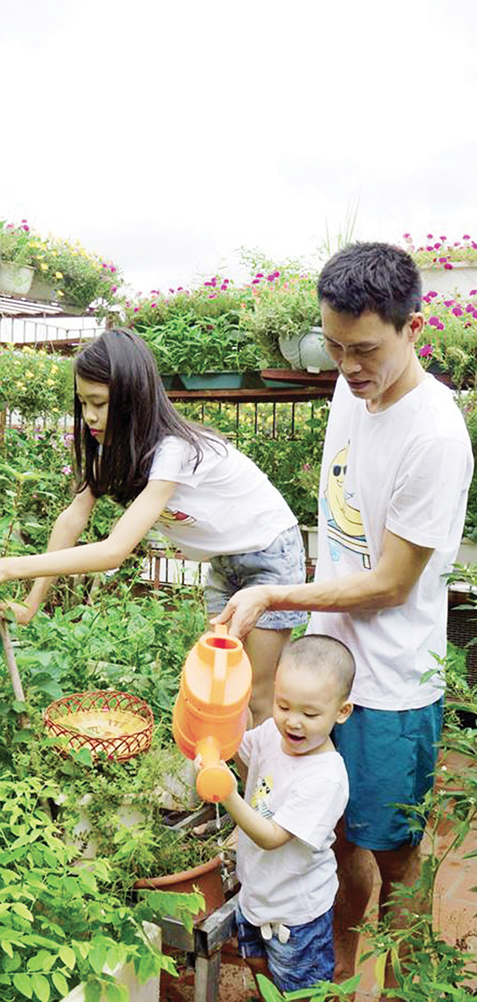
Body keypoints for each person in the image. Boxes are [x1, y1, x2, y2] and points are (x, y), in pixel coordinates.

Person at [214, 242, 474, 985]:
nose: (347, 365)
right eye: (333, 347)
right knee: (328, 842)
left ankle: (399, 987)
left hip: (390, 688)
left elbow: (391, 582)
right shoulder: (348, 386)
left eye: (364, 349)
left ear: (412, 328)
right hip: (328, 672)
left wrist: (273, 593)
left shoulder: (434, 435)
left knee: (392, 855)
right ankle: (334, 977)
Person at [0, 327, 307, 723]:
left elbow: (114, 551)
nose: (89, 417)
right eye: (83, 403)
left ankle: (270, 783)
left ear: (133, 400)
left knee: (257, 693)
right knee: (220, 686)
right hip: (226, 561)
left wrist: (7, 566)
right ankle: (225, 776)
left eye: (99, 403)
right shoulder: (111, 450)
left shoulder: (174, 450)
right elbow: (72, 518)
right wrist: (32, 603)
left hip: (271, 552)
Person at [211, 634, 354, 994]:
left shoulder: (325, 777)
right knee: (256, 964)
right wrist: (221, 712)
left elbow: (272, 836)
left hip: (297, 913)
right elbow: (236, 744)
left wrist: (227, 793)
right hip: (256, 893)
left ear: (342, 712)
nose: (293, 722)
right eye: (283, 705)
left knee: (299, 990)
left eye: (310, 713)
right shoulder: (272, 735)